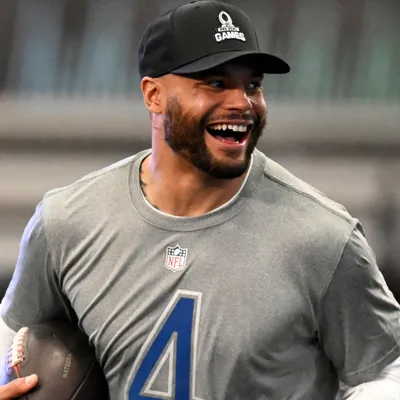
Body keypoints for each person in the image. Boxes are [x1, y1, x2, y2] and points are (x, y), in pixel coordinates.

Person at [0, 1, 400, 399]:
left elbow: (387, 368)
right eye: (215, 83)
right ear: (153, 95)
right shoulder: (66, 222)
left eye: (253, 85)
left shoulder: (324, 238)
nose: (242, 103)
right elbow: (13, 339)